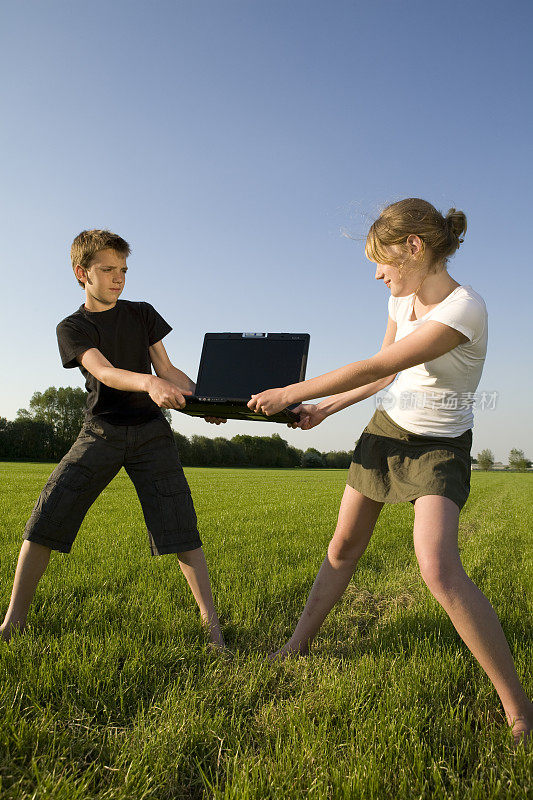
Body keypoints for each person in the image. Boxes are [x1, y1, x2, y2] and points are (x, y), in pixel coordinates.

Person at [247, 198, 533, 744]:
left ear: (414, 248)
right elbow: (381, 380)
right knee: (343, 545)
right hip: (386, 430)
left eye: (384, 260)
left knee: (438, 569)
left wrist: (291, 391)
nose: (378, 274)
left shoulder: (464, 308)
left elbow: (380, 364)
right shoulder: (403, 301)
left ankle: (519, 708)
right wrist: (323, 409)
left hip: (440, 444)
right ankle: (296, 644)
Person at [1, 229, 227, 650]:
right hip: (100, 432)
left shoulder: (142, 313)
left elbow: (168, 370)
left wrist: (204, 402)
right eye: (107, 270)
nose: (118, 278)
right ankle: (12, 624)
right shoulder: (72, 327)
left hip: (151, 436)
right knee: (45, 518)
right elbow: (103, 371)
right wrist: (149, 383)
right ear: (81, 273)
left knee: (182, 530)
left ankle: (213, 632)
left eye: (123, 270)